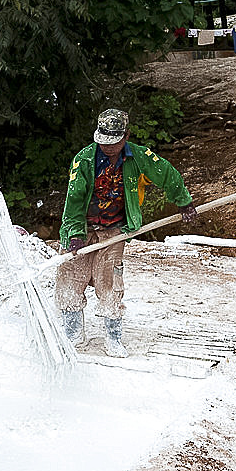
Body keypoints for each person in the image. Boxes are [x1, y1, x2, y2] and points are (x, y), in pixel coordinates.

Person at [56, 108, 197, 357]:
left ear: (126, 136)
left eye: (114, 142)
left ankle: (113, 337)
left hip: (114, 231)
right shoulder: (84, 160)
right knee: (70, 279)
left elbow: (167, 174)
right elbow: (74, 198)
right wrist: (75, 233)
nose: (108, 147)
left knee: (110, 282)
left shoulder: (140, 157)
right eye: (103, 142)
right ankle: (73, 333)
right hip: (81, 225)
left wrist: (183, 201)